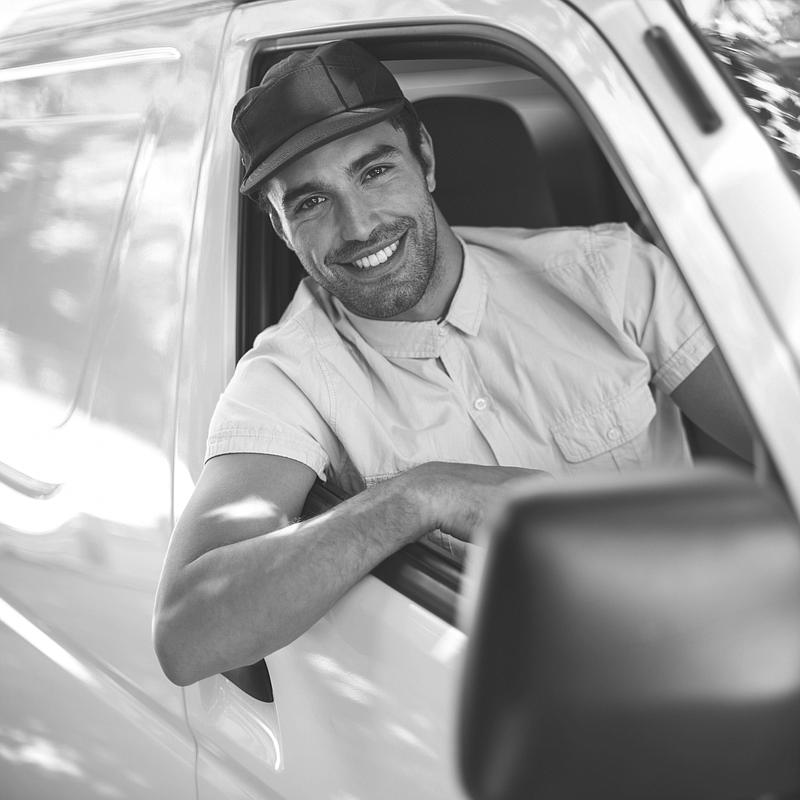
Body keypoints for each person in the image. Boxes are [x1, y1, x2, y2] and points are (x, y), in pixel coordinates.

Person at [153, 40, 752, 686]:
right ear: (281, 229)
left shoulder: (612, 277)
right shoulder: (289, 377)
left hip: (714, 658)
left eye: (374, 171)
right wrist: (419, 495)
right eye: (310, 202)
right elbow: (187, 635)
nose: (359, 227)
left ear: (427, 160)